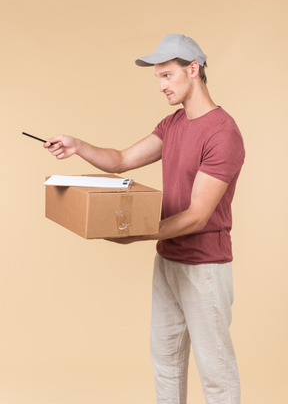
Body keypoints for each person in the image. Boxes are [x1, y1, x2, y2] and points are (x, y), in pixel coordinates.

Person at [44, 34, 245, 404]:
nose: (161, 86)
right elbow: (120, 160)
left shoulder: (223, 132)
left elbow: (198, 216)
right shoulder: (172, 125)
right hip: (168, 260)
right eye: (158, 78)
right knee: (166, 362)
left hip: (205, 267)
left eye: (167, 76)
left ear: (193, 70)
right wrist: (78, 146)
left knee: (216, 372)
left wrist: (135, 234)